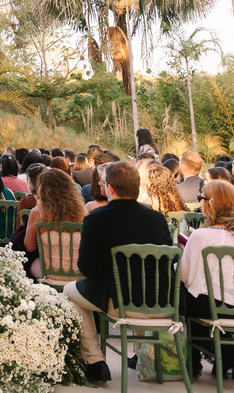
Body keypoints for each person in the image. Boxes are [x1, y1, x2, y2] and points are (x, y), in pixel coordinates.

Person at [64, 161, 171, 383]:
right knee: (139, 282)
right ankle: (139, 353)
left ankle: (95, 361)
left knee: (68, 291)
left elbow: (87, 268)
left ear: (110, 188)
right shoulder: (157, 218)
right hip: (161, 303)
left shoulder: (96, 219)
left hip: (121, 304)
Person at [176, 180, 234, 378]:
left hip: (215, 309)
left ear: (210, 204)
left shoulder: (201, 235)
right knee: (210, 293)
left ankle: (192, 359)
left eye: (201, 198)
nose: (199, 201)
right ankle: (226, 356)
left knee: (185, 293)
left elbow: (183, 276)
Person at [24, 168, 86, 279]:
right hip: (80, 273)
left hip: (48, 273)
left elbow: (29, 247)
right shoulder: (83, 213)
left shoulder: (38, 213)